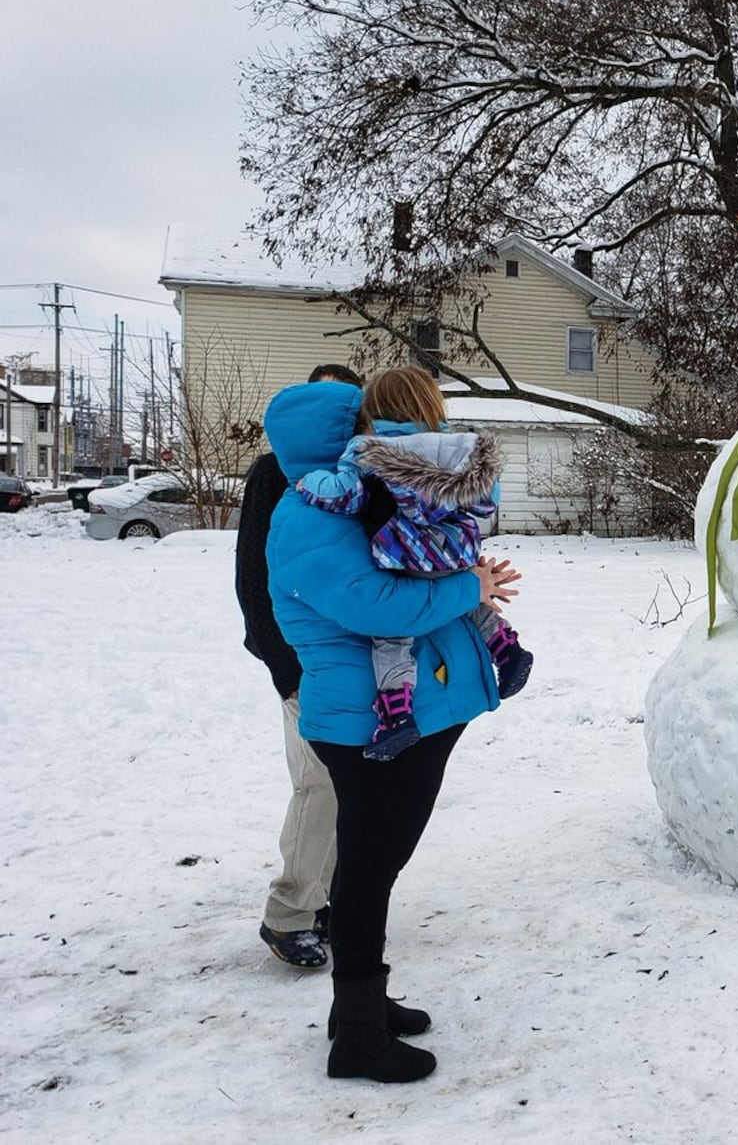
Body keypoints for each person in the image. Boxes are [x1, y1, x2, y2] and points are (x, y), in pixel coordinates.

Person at [263, 376, 521, 1083]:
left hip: (391, 713)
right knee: (371, 872)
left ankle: (358, 1009)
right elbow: (378, 605)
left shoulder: (354, 499)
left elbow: (405, 570)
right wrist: (471, 586)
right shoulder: (312, 511)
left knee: (370, 863)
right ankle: (359, 1040)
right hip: (365, 722)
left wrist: (466, 575)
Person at [292, 365, 533, 760]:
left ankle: (397, 716)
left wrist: (309, 481)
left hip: (405, 554)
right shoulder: (460, 448)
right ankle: (506, 648)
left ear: (375, 410)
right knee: (466, 599)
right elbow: (486, 502)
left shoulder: (369, 450)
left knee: (392, 637)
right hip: (456, 551)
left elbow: (344, 496)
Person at [237, 363, 363, 969]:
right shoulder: (273, 475)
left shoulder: (354, 473)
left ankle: (322, 899)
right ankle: (288, 915)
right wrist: (283, 667)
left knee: (345, 788)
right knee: (319, 784)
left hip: (344, 660)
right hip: (299, 660)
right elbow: (255, 580)